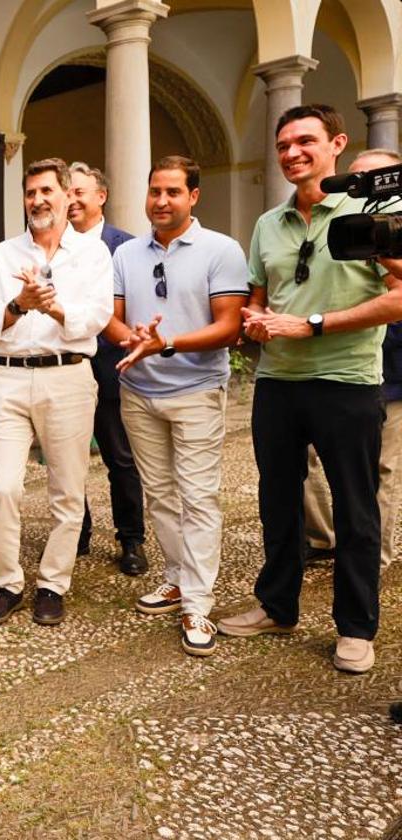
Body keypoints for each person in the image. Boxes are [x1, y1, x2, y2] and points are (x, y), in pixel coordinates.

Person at [219, 105, 402, 675]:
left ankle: (355, 628)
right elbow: (255, 296)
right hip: (277, 384)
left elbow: (399, 296)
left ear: (336, 145)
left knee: (355, 510)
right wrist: (254, 320)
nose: (292, 153)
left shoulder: (374, 212)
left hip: (347, 382)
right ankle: (277, 606)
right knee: (278, 501)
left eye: (305, 141)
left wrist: (312, 323)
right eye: (283, 145)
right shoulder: (267, 224)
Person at [103, 155, 249, 656]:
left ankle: (199, 607)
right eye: (154, 192)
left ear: (193, 196)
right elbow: (112, 319)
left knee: (198, 496)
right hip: (139, 392)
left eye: (171, 192)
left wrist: (165, 344)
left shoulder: (221, 250)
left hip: (196, 391)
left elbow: (230, 326)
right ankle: (176, 578)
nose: (160, 202)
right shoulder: (125, 254)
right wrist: (134, 340)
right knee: (161, 496)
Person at [0, 157, 113, 628]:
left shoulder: (93, 254)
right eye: (30, 193)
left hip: (68, 376)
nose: (37, 201)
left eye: (46, 192)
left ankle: (53, 584)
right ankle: (6, 584)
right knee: (2, 486)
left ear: (67, 196)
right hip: (8, 376)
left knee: (68, 492)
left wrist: (51, 307)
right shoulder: (3, 254)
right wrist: (20, 304)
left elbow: (94, 319)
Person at [300, 147, 402, 571]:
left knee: (382, 468)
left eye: (370, 181)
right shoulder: (334, 228)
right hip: (331, 367)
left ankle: (371, 557)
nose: (358, 190)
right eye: (353, 180)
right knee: (304, 457)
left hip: (395, 373)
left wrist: (385, 251)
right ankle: (324, 538)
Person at [67, 161, 147, 574]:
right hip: (66, 369)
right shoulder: (52, 245)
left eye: (80, 191)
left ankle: (131, 539)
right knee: (68, 458)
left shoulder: (127, 247)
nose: (72, 199)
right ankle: (74, 534)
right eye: (68, 192)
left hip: (113, 367)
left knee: (121, 458)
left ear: (101, 196)